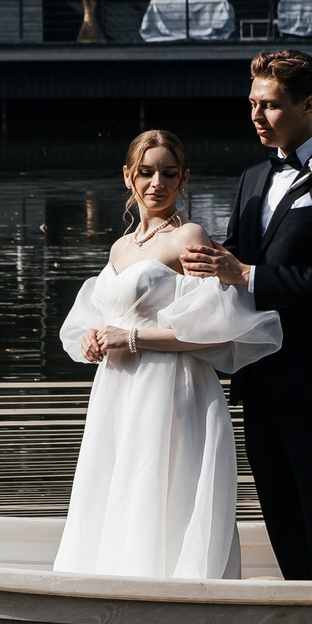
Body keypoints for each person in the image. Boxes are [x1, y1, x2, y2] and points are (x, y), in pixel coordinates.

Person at [180, 50, 312, 582]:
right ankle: (303, 620)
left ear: (308, 105)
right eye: (252, 103)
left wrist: (246, 274)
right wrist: (197, 266)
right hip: (258, 377)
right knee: (280, 516)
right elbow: (234, 256)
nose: (255, 116)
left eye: (269, 105)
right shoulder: (252, 178)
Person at [54, 130, 283, 579]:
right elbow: (107, 315)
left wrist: (133, 340)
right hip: (118, 388)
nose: (156, 182)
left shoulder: (190, 237)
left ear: (184, 179)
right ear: (128, 176)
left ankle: (172, 585)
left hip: (171, 386)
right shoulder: (120, 247)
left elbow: (214, 331)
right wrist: (94, 338)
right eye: (146, 171)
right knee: (118, 483)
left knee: (162, 484)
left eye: (168, 173)